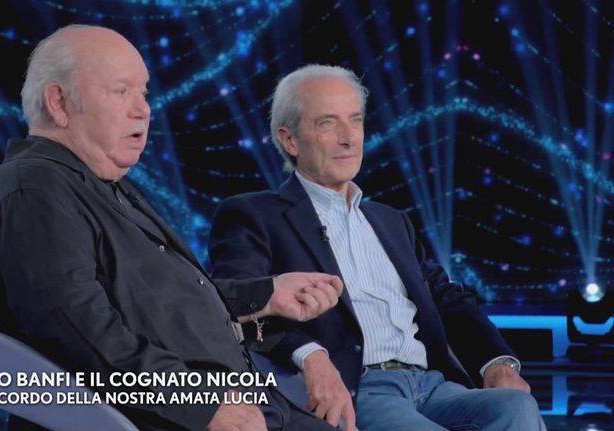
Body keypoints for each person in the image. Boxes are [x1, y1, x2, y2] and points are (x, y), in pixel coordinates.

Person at [0, 26, 346, 431]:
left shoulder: (101, 185)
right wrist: (199, 404)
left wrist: (266, 294)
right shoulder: (34, 190)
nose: (143, 109)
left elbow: (165, 306)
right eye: (120, 91)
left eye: (143, 93)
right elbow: (77, 333)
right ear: (59, 103)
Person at [209, 64, 546, 430]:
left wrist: (497, 361)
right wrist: (310, 355)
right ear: (290, 140)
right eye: (327, 123)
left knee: (516, 407)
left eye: (355, 121)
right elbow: (233, 301)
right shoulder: (254, 215)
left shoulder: (391, 221)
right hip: (359, 388)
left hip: (432, 384)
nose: (348, 138)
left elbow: (446, 298)